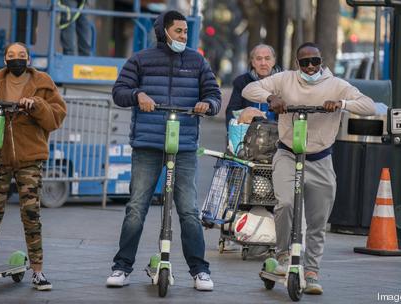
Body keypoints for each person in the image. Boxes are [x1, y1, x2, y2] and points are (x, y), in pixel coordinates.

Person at [242, 42, 375, 295]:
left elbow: (368, 105)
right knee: (286, 204)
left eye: (315, 61)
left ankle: (312, 270)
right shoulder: (285, 79)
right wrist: (271, 97)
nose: (311, 67)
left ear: (322, 61)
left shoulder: (336, 84)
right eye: (305, 62)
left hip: (320, 158)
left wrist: (341, 104)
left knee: (317, 219)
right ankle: (283, 257)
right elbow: (251, 88)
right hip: (288, 154)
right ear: (297, 63)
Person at [106, 10, 221, 291]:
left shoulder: (196, 60)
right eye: (179, 31)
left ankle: (200, 271)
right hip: (148, 144)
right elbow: (119, 91)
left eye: (185, 31)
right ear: (163, 32)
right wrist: (137, 95)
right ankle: (122, 267)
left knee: (189, 210)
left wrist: (208, 104)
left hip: (183, 147)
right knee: (136, 207)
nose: (184, 36)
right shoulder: (141, 60)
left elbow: (214, 95)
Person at [0, 42, 67, 291]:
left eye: (21, 55)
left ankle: (38, 271)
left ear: (28, 58)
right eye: (11, 55)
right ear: (5, 59)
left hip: (30, 157)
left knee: (31, 215)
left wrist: (37, 105)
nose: (16, 59)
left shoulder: (42, 82)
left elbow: (56, 117)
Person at [225, 44, 282, 128]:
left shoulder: (283, 80)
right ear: (252, 62)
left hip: (277, 131)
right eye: (259, 59)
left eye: (267, 58)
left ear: (273, 61)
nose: (263, 63)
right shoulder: (241, 82)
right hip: (248, 133)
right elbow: (232, 112)